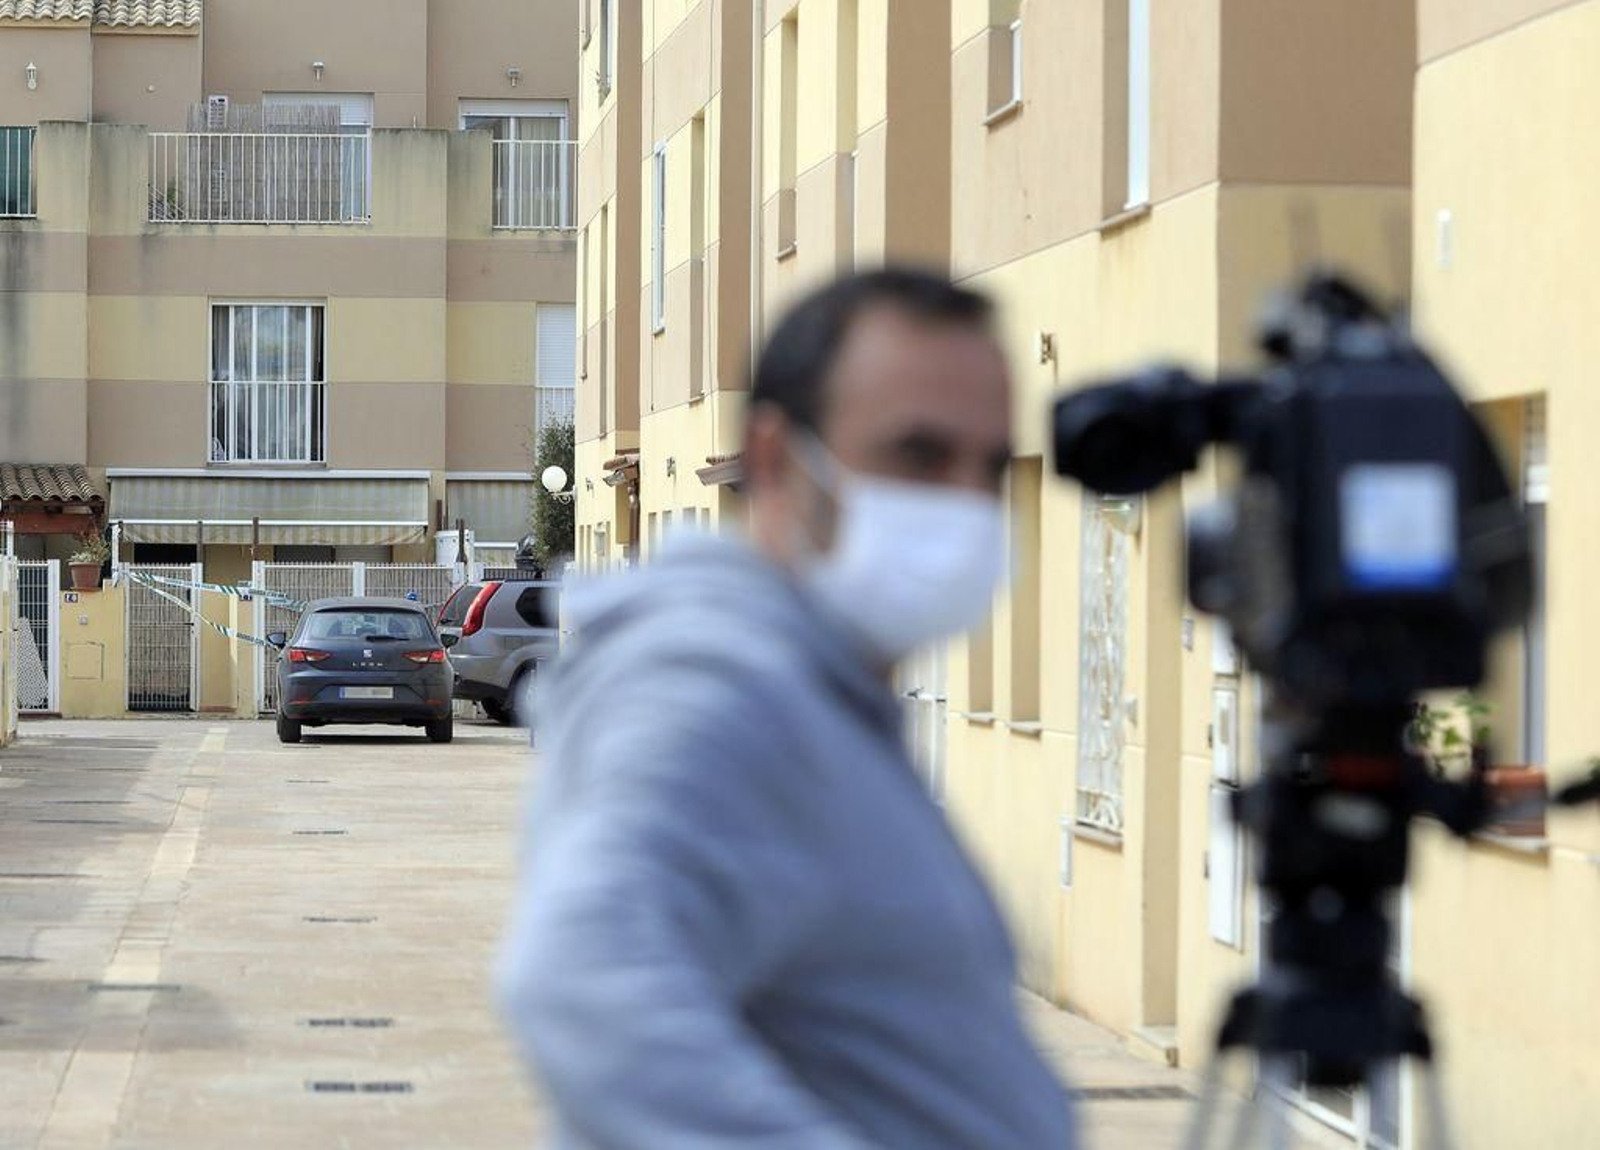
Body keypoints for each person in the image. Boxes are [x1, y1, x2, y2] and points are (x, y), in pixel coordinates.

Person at [497, 269, 1074, 1149]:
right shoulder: (717, 684)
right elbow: (581, 979)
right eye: (919, 455)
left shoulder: (816, 687)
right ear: (774, 460)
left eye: (989, 468)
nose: (965, 503)